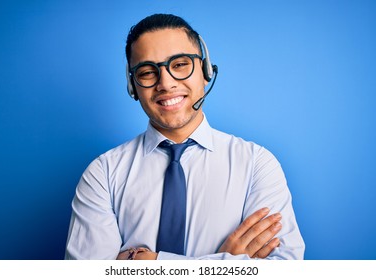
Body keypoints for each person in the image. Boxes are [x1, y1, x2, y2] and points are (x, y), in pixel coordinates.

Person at [64, 13, 305, 260]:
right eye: (147, 72)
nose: (166, 84)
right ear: (132, 86)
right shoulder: (103, 173)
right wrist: (225, 264)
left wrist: (145, 262)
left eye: (179, 64)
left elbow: (283, 267)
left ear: (205, 69)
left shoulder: (256, 164)